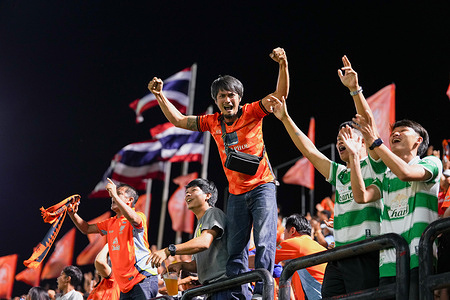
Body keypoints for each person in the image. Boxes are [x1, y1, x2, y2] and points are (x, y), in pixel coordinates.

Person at [148, 47, 289, 298]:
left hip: (262, 186)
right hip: (235, 193)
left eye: (231, 94)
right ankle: (236, 289)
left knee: (265, 241)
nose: (227, 99)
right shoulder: (213, 122)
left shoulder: (252, 111)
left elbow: (280, 95)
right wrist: (160, 96)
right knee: (235, 247)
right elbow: (179, 120)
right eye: (222, 95)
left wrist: (283, 65)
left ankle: (262, 291)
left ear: (239, 97)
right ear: (216, 100)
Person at [272, 57, 383, 296]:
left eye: (346, 138)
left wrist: (354, 90)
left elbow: (370, 126)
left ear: (363, 141)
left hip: (365, 252)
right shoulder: (340, 173)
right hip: (338, 255)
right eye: (338, 140)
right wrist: (285, 118)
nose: (340, 143)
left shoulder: (375, 165)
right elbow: (309, 151)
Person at [342, 109, 441, 297]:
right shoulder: (386, 177)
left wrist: (376, 142)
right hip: (388, 263)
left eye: (403, 130)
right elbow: (361, 196)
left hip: (419, 258)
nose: (395, 133)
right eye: (394, 132)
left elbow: (406, 174)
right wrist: (354, 157)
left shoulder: (431, 162)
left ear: (418, 140)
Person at [148, 178, 249, 299]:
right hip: (212, 288)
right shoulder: (200, 226)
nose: (188, 194)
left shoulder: (213, 213)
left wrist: (168, 250)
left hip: (227, 286)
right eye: (186, 193)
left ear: (207, 195)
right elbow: (197, 265)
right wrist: (182, 265)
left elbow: (204, 242)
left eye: (193, 190)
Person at [67, 179, 158, 300]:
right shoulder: (111, 223)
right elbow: (86, 228)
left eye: (118, 193)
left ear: (130, 200)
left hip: (142, 277)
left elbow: (134, 219)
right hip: (125, 285)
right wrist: (73, 214)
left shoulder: (139, 216)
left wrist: (114, 194)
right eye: (113, 194)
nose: (112, 196)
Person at [274, 214, 327, 300]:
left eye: (284, 232)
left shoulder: (297, 243)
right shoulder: (318, 246)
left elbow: (264, 258)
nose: (283, 237)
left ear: (292, 231)